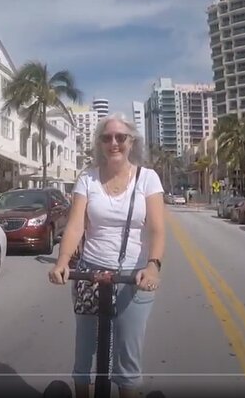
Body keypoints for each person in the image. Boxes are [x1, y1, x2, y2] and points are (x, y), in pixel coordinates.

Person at [49, 112, 166, 398]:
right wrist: (63, 261)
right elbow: (76, 225)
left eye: (120, 137)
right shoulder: (87, 178)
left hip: (132, 277)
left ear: (131, 141)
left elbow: (157, 229)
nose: (114, 143)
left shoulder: (148, 179)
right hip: (90, 273)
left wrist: (152, 267)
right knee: (84, 352)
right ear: (100, 143)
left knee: (127, 358)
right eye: (107, 137)